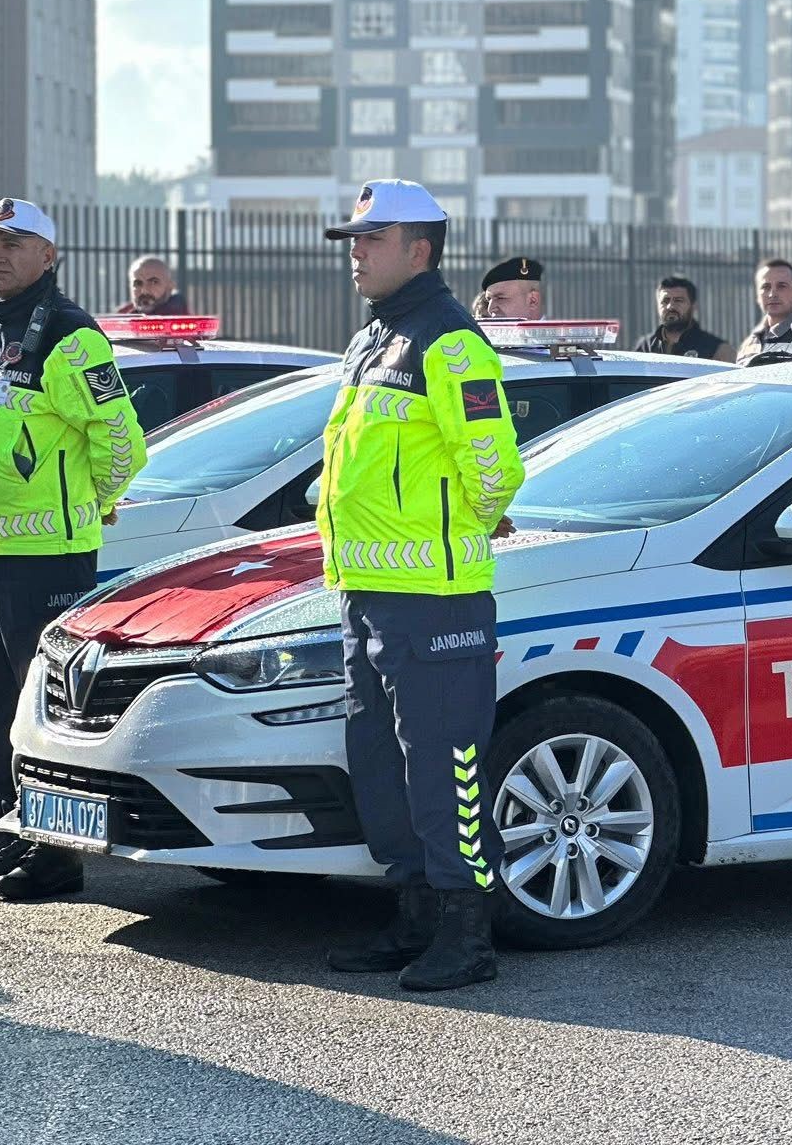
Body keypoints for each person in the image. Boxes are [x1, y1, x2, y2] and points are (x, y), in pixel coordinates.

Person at [319, 180, 524, 992]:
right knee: (380, 766)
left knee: (447, 771)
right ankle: (413, 913)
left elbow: (494, 465)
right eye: (355, 240)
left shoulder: (449, 340)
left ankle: (467, 929)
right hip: (365, 590)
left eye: (373, 239)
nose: (357, 253)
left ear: (421, 251)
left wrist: (457, 532)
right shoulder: (373, 341)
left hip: (436, 597)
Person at [0, 198, 147, 899]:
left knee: (42, 713)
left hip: (48, 553)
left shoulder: (68, 333)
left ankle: (59, 859)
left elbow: (122, 441)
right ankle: (20, 834)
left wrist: (90, 500)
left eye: (14, 242)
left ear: (48, 255)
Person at [636, 276, 732, 360]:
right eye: (665, 301)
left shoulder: (716, 349)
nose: (670, 306)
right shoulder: (645, 347)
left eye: (678, 300)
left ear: (693, 306)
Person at [737, 259, 792, 364]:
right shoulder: (751, 341)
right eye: (766, 287)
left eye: (781, 286)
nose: (772, 294)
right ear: (757, 296)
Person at [116, 256, 188, 316]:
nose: (144, 290)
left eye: (154, 282)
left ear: (170, 286)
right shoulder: (121, 316)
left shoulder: (183, 324)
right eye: (138, 283)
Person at [478, 256, 543, 321]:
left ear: (533, 301)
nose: (490, 309)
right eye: (488, 300)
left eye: (500, 298)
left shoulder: (551, 330)